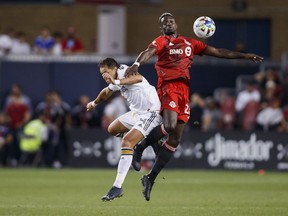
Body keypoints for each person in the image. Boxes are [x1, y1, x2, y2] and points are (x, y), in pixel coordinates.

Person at [125, 12, 264, 201]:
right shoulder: (162, 41)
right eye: (164, 23)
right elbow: (147, 52)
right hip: (169, 87)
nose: (168, 24)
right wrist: (136, 64)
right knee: (170, 125)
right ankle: (141, 147)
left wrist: (244, 56)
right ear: (162, 28)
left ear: (176, 24)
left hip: (184, 91)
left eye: (171, 21)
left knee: (175, 140)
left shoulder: (190, 43)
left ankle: (150, 179)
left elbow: (219, 52)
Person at [86, 57, 162, 201]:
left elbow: (138, 78)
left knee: (126, 142)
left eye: (106, 72)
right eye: (102, 74)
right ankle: (146, 141)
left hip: (151, 112)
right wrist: (94, 103)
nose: (104, 76)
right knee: (112, 129)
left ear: (114, 68)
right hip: (136, 113)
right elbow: (107, 92)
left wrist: (117, 82)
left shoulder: (125, 71)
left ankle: (117, 186)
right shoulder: (114, 80)